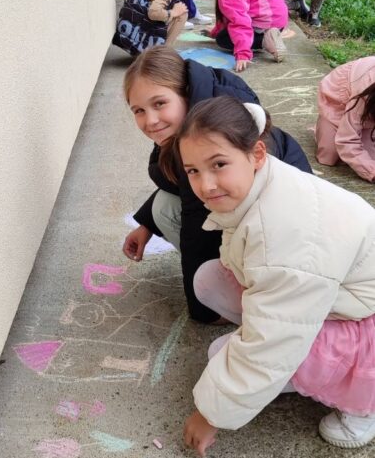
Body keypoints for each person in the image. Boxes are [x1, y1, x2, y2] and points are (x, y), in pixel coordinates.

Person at [173, 97, 375, 453]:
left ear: (257, 154)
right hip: (342, 295)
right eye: (193, 171)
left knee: (225, 353)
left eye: (218, 164)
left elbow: (275, 340)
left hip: (366, 324)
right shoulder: (265, 182)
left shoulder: (284, 233)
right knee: (209, 279)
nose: (206, 185)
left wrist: (211, 413)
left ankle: (363, 406)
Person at [122, 46, 312, 323]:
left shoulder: (216, 133)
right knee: (163, 206)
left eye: (159, 103)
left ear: (185, 93)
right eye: (139, 110)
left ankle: (260, 297)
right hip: (253, 215)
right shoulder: (188, 126)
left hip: (288, 234)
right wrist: (147, 224)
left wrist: (204, 311)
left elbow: (196, 223)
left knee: (210, 234)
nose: (150, 120)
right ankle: (235, 279)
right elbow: (180, 184)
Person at [195, 0, 287, 73]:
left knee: (223, 39)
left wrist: (242, 54)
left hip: (269, 22)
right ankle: (268, 34)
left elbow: (240, 22)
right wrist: (215, 31)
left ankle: (266, 40)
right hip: (278, 18)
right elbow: (226, 16)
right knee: (223, 34)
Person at [112, 0, 193, 57]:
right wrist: (173, 12)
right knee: (182, 13)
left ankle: (153, 52)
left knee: (173, 9)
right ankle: (162, 54)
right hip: (139, 44)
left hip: (126, 37)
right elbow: (153, 12)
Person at [315, 56, 375, 182]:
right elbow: (347, 140)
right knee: (328, 156)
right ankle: (328, 123)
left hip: (367, 108)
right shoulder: (365, 93)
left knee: (369, 157)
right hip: (340, 95)